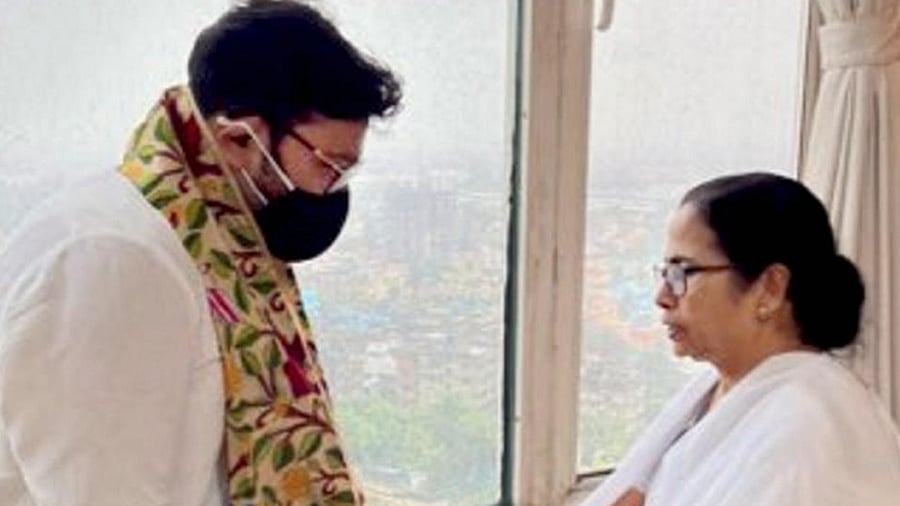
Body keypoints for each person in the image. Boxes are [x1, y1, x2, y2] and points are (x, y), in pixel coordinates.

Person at [0, 1, 401, 504]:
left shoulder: (217, 245)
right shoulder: (115, 262)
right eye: (330, 166)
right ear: (238, 138)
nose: (333, 190)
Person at [581, 173, 900, 506]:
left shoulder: (806, 427)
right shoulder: (720, 390)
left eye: (683, 273)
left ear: (770, 288)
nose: (662, 296)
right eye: (665, 273)